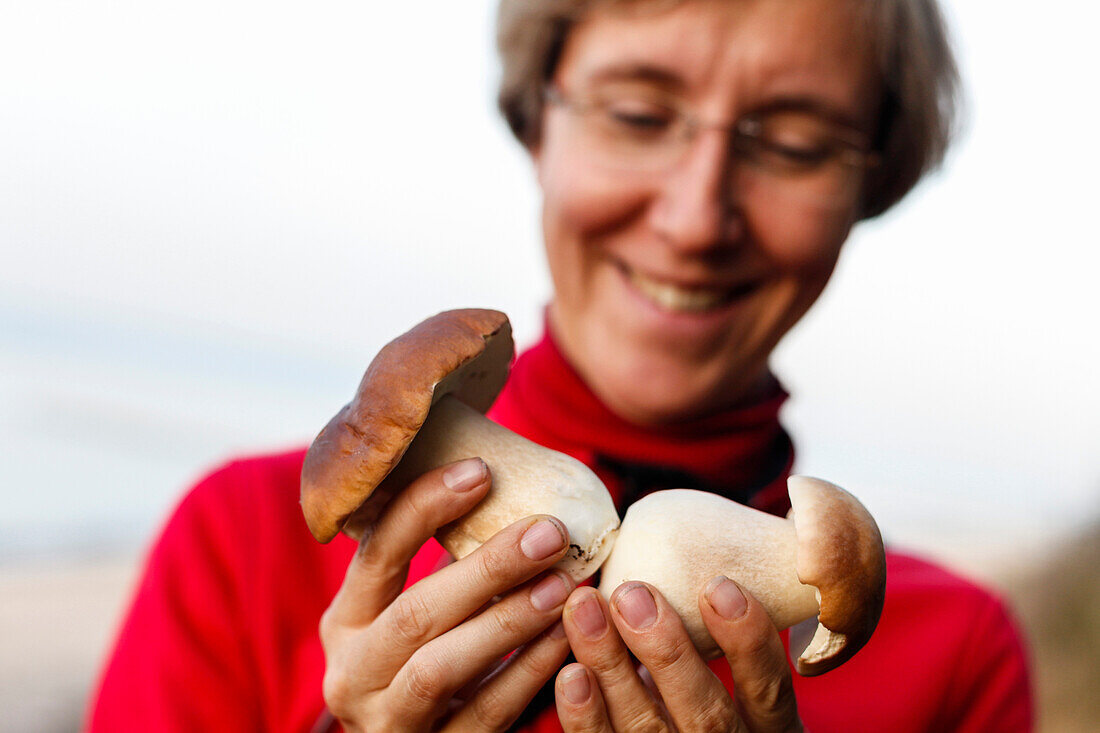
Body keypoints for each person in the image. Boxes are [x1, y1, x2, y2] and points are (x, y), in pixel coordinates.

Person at [88, 0, 1032, 730]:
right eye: (635, 113)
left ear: (873, 180)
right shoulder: (240, 549)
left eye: (793, 144)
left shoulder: (955, 653)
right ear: (537, 120)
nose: (697, 217)